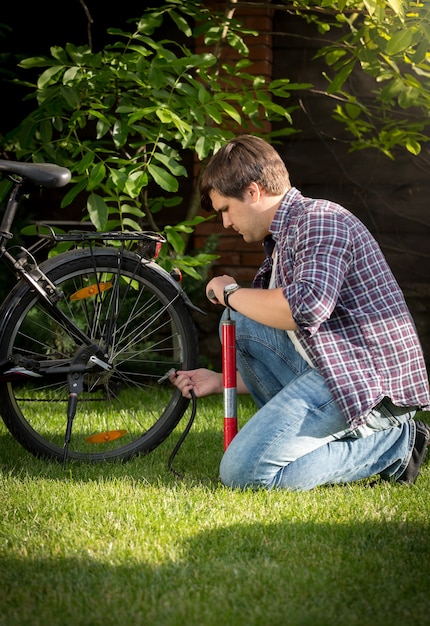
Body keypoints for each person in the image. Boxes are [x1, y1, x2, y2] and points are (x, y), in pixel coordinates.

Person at [171, 134, 430, 491]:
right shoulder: (285, 234)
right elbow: (298, 344)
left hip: (364, 383)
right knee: (242, 321)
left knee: (242, 475)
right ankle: (329, 442)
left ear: (252, 192)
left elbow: (305, 308)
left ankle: (396, 443)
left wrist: (232, 291)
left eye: (225, 209)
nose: (226, 223)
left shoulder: (320, 220)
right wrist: (221, 380)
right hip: (332, 371)